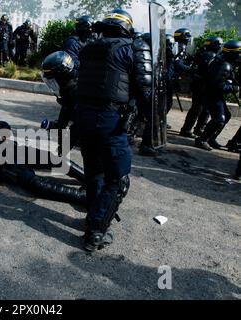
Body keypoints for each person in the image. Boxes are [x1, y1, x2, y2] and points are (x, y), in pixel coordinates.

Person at [76, 9, 152, 251]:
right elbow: (144, 88)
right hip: (110, 119)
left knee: (94, 173)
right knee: (118, 179)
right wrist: (147, 118)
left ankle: (92, 216)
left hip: (84, 118)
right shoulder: (132, 48)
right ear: (126, 27)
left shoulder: (89, 47)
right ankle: (96, 231)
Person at [195, 40, 241, 151]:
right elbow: (217, 86)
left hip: (213, 94)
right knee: (219, 118)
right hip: (211, 95)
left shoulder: (224, 62)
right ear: (233, 53)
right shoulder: (224, 65)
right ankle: (202, 139)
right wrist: (234, 88)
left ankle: (211, 138)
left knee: (226, 115)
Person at [180, 36, 223, 138]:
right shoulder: (212, 56)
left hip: (198, 85)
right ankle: (196, 129)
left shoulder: (201, 53)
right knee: (203, 109)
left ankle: (189, 129)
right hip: (203, 86)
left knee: (197, 108)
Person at [40, 51, 80, 150]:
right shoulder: (68, 91)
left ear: (62, 77)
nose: (52, 84)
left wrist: (64, 148)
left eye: (53, 80)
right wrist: (58, 126)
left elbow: (78, 126)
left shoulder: (77, 93)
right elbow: (65, 115)